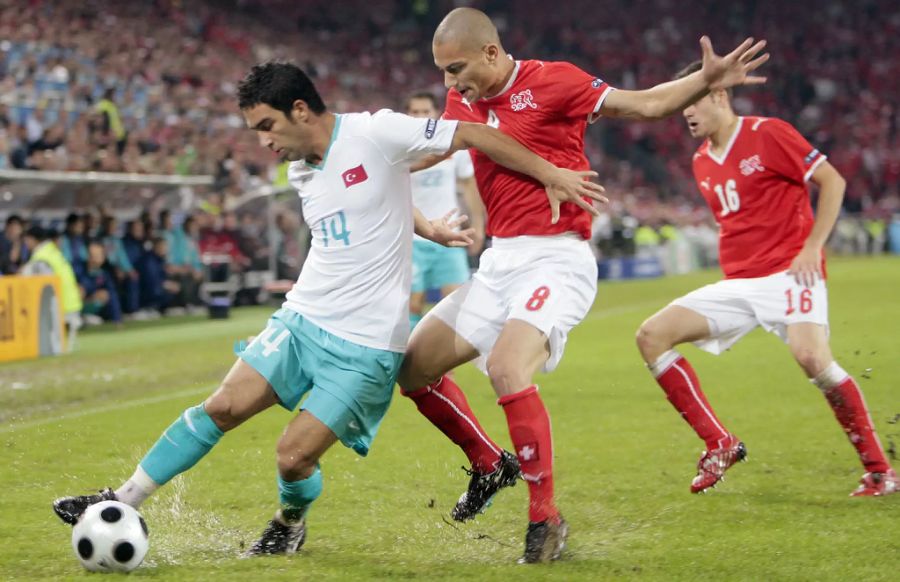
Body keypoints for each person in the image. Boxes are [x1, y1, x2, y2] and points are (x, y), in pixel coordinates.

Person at [51, 61, 605, 556]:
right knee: (221, 406)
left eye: (266, 126)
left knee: (292, 458)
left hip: (364, 349)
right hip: (301, 319)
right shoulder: (300, 168)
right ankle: (120, 499)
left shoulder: (378, 129)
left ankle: (290, 520)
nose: (263, 142)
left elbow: (474, 133)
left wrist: (548, 172)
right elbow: (361, 196)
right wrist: (424, 224)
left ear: (300, 110)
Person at [396, 7, 769, 563]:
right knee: (413, 368)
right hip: (499, 263)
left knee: (506, 367)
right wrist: (360, 155)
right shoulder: (465, 101)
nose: (450, 83)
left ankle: (545, 520)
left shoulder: (553, 80)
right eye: (443, 72)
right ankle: (488, 463)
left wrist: (705, 79)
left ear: (491, 54)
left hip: (556, 259)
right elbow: (435, 147)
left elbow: (642, 103)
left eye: (456, 69)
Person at [634, 60, 897, 497]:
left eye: (693, 104)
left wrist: (813, 245)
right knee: (650, 336)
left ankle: (878, 471)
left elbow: (833, 182)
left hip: (793, 272)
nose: (687, 114)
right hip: (739, 284)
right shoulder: (701, 161)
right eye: (682, 109)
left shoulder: (768, 133)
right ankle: (719, 442)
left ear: (719, 96)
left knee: (811, 357)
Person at [405, 91, 485, 329]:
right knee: (412, 305)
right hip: (412, 238)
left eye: (425, 111)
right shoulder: (400, 148)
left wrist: (478, 227)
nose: (420, 116)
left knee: (456, 304)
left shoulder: (450, 146)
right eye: (415, 112)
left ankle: (443, 366)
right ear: (407, 115)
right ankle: (410, 363)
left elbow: (470, 187)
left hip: (450, 234)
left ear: (436, 114)